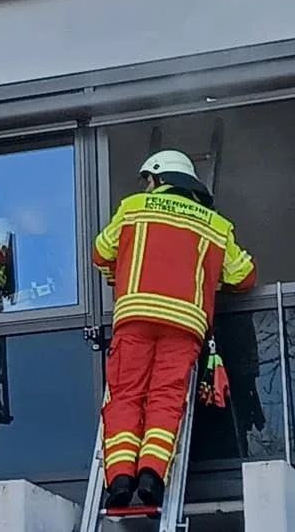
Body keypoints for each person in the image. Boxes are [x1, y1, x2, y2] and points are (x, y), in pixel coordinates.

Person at [92, 148, 256, 508]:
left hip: (135, 317)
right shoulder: (216, 224)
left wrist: (120, 272)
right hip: (185, 325)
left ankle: (120, 479)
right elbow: (243, 276)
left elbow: (101, 252)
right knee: (166, 398)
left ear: (158, 178)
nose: (145, 187)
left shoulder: (134, 207)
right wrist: (208, 278)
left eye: (147, 180)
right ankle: (152, 475)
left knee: (126, 395)